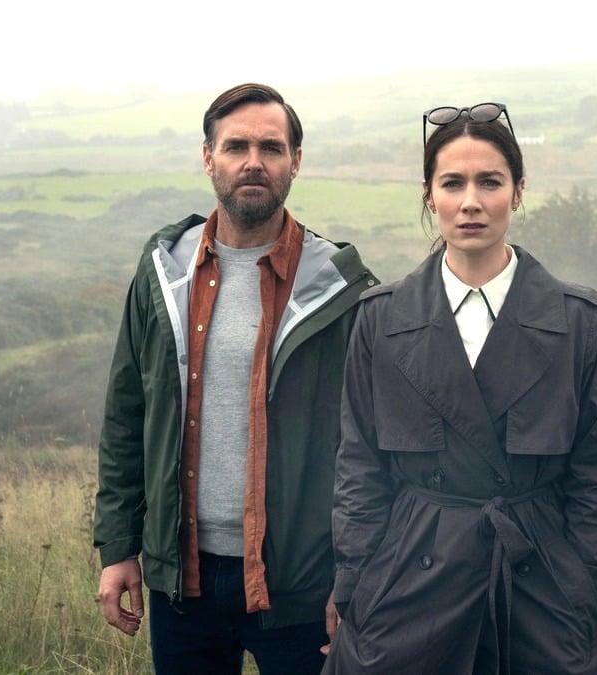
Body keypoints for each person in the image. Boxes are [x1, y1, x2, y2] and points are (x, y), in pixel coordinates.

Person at [322, 103, 597, 675]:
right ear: (428, 194)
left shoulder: (574, 319)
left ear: (516, 192)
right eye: (452, 183)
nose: (470, 202)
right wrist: (355, 587)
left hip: (543, 582)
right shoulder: (381, 319)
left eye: (490, 182)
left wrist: (587, 584)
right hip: (410, 580)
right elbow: (359, 466)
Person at [93, 82, 377, 674]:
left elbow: (370, 449)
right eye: (236, 146)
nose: (254, 162)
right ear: (208, 157)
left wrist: (356, 575)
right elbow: (128, 415)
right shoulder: (163, 273)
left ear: (295, 162)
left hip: (299, 585)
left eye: (271, 148)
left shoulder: (341, 290)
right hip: (184, 581)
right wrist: (118, 547)